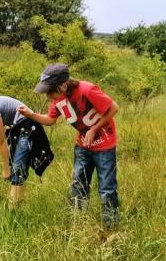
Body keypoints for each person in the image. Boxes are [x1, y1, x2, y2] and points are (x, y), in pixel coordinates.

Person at [18, 63, 120, 228]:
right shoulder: (58, 98)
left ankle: (111, 227)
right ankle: (77, 223)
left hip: (104, 146)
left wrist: (93, 129)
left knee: (107, 187)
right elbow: (50, 120)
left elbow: (113, 108)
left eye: (50, 91)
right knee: (78, 183)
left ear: (63, 85)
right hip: (82, 146)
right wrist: (31, 114)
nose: (48, 96)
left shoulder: (87, 90)